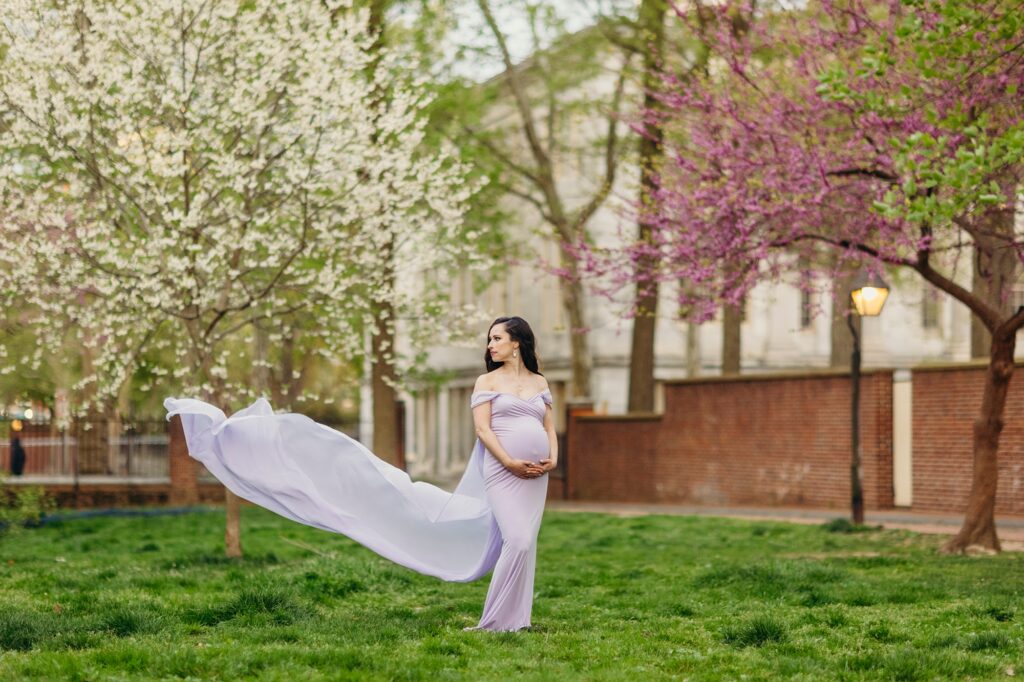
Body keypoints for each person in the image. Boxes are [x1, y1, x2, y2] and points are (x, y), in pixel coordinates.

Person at [165, 315, 557, 632]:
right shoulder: (485, 382)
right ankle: (494, 622)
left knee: (526, 542)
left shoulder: (539, 383)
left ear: (517, 342)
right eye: (489, 339)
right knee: (517, 541)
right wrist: (508, 461)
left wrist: (552, 459)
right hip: (504, 470)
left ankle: (516, 620)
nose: (490, 345)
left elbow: (549, 428)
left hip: (537, 474)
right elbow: (483, 430)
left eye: (496, 338)